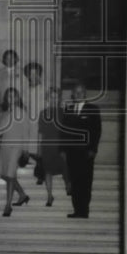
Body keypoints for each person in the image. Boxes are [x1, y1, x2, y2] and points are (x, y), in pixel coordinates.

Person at [62, 81, 101, 219]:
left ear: (85, 94)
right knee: (74, 180)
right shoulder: (68, 110)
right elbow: (63, 132)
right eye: (76, 92)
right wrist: (63, 150)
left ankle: (84, 210)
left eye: (81, 92)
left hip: (86, 153)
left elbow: (96, 131)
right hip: (72, 153)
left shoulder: (93, 109)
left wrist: (93, 149)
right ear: (72, 94)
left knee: (85, 182)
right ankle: (77, 210)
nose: (79, 94)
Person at [0, 87, 31, 217]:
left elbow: (26, 133)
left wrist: (26, 151)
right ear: (6, 98)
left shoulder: (22, 112)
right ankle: (22, 194)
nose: (11, 98)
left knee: (9, 175)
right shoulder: (3, 113)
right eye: (8, 96)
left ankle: (7, 206)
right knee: (4, 174)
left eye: (14, 96)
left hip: (16, 147)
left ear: (17, 98)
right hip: (4, 146)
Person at [37, 87, 70, 207]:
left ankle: (68, 185)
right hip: (47, 145)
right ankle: (50, 196)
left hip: (61, 145)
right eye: (51, 96)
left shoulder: (64, 112)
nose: (53, 99)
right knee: (48, 171)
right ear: (47, 98)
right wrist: (39, 150)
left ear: (59, 98)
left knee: (65, 166)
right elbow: (41, 133)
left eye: (55, 97)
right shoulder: (43, 113)